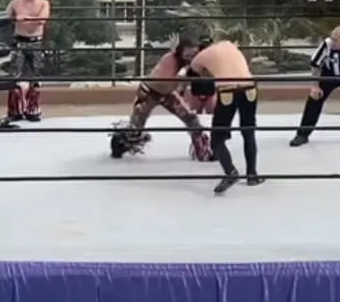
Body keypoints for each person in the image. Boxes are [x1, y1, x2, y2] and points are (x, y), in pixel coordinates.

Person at [110, 33, 213, 162]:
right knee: (136, 128)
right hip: (149, 91)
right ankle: (118, 146)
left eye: (193, 54)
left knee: (190, 118)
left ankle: (202, 148)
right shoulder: (170, 59)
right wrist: (185, 72)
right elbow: (167, 81)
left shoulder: (188, 64)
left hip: (167, 93)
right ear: (180, 51)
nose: (190, 57)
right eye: (187, 54)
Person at [178, 39, 263, 194]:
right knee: (248, 132)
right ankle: (252, 175)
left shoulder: (199, 58)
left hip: (228, 91)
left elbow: (194, 76)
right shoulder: (229, 44)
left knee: (216, 138)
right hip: (250, 87)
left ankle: (230, 172)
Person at [6, 0, 50, 122]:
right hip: (19, 41)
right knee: (15, 76)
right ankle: (15, 110)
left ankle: (33, 109)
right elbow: (7, 18)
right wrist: (21, 19)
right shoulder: (15, 3)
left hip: (36, 42)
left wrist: (25, 18)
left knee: (36, 77)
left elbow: (42, 20)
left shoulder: (44, 3)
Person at [184, 35, 217, 114]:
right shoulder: (194, 58)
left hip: (209, 91)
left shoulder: (214, 58)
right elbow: (188, 74)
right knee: (196, 115)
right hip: (197, 91)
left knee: (211, 114)